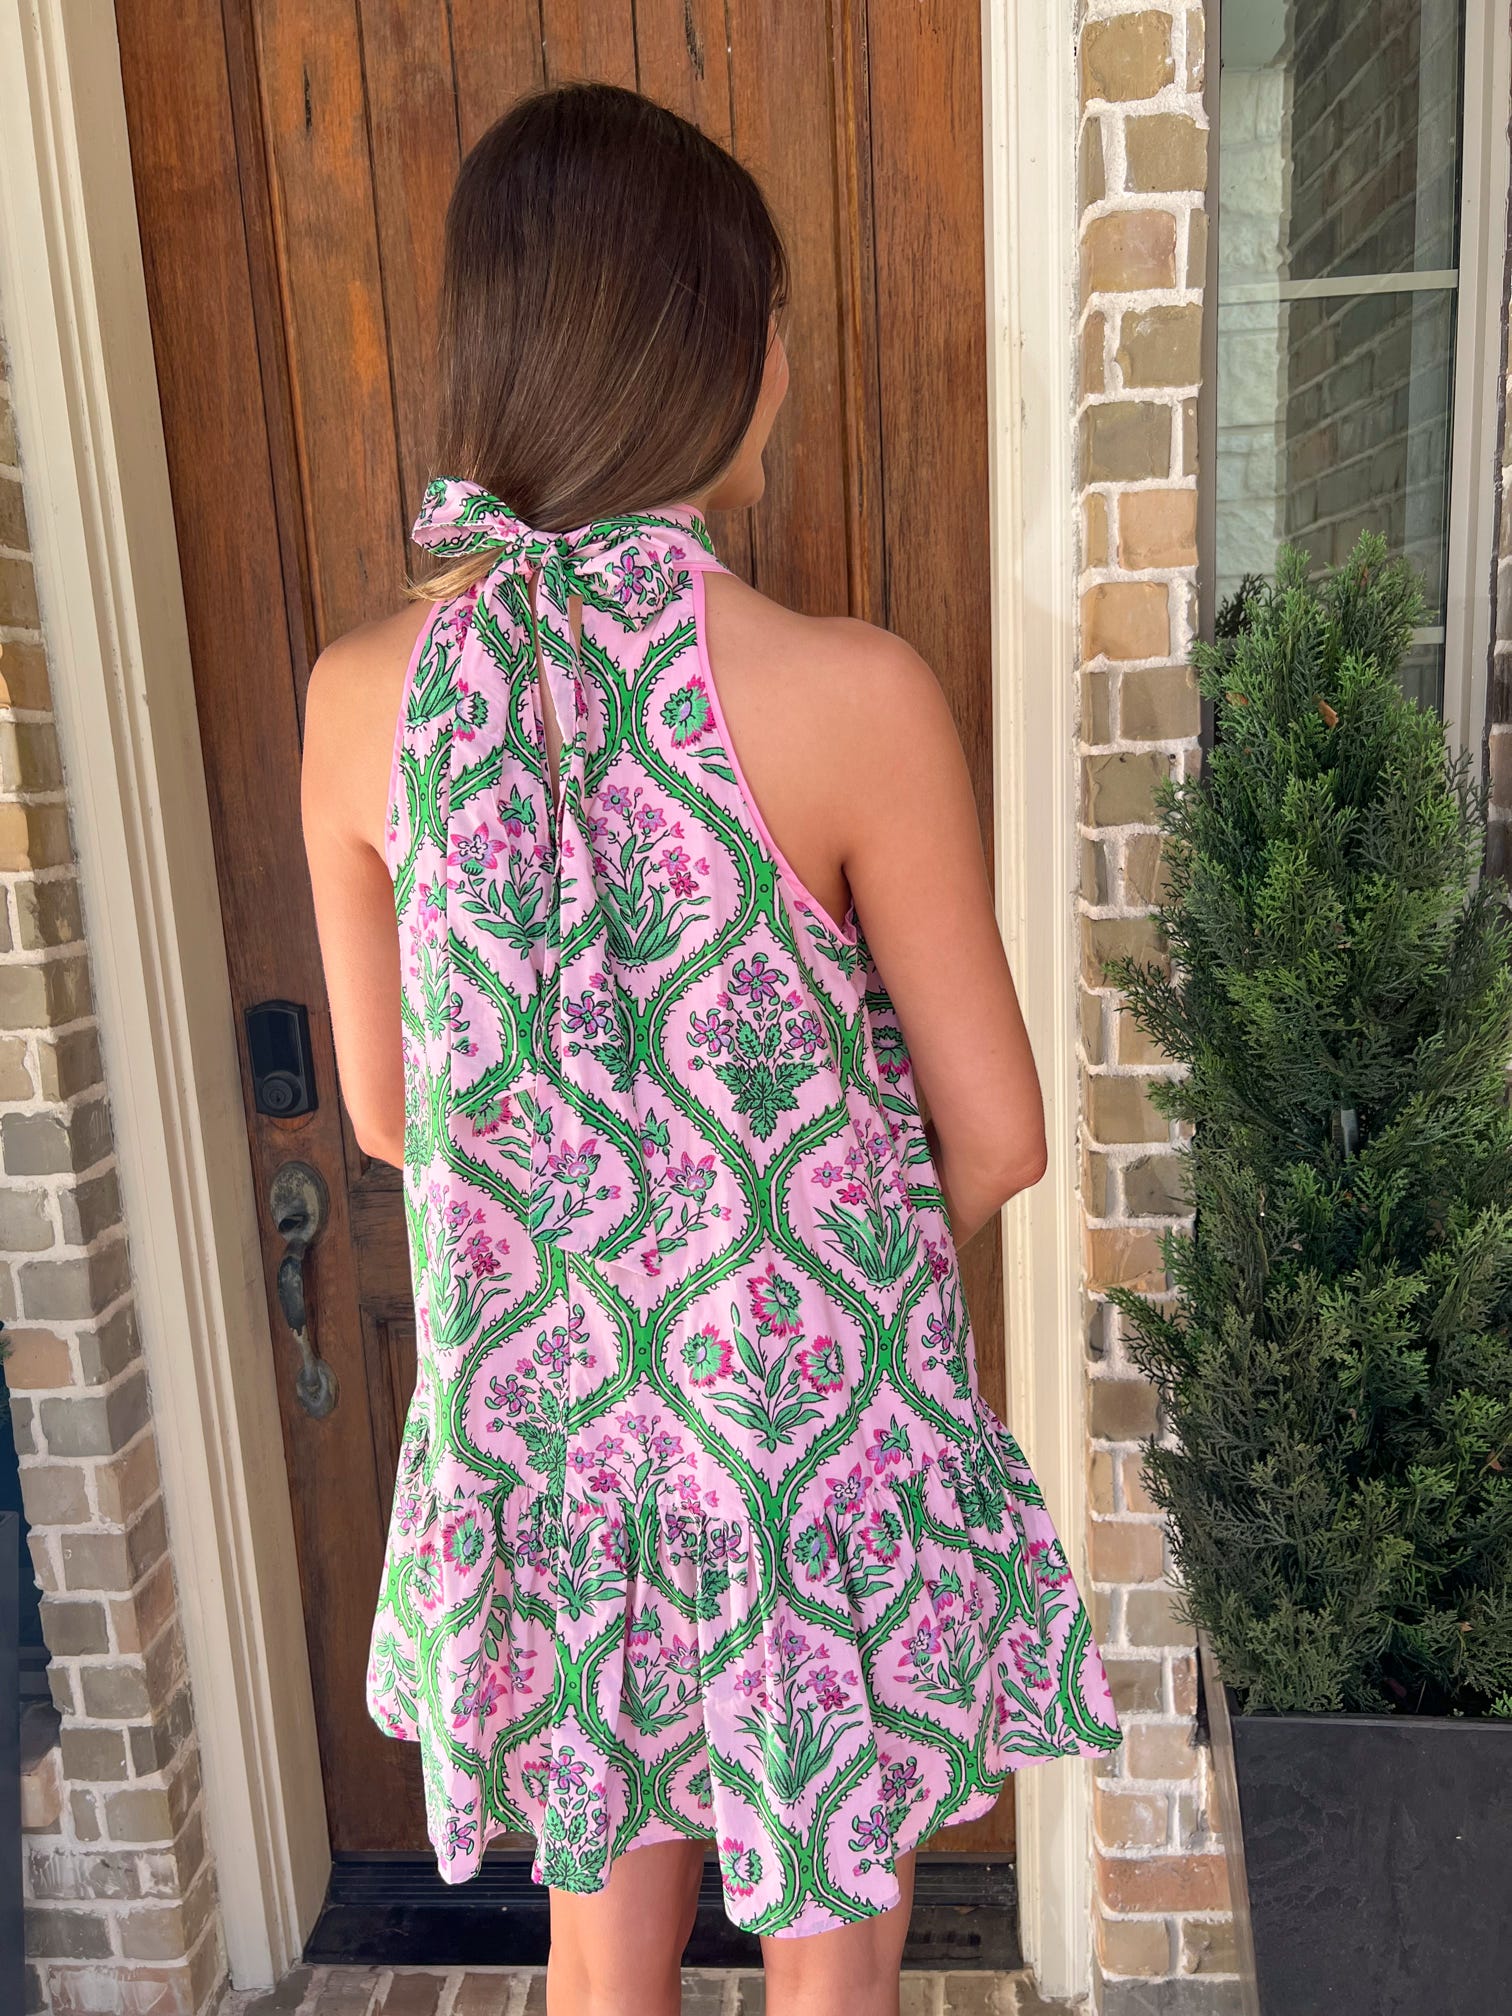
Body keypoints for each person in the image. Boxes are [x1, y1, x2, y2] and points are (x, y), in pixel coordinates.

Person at [301, 79, 1120, 2016]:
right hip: (804, 1444)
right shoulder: (854, 696)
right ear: (733, 359)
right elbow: (993, 1135)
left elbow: (391, 1111)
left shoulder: (359, 700)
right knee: (834, 1943)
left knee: (606, 1945)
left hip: (559, 1452)